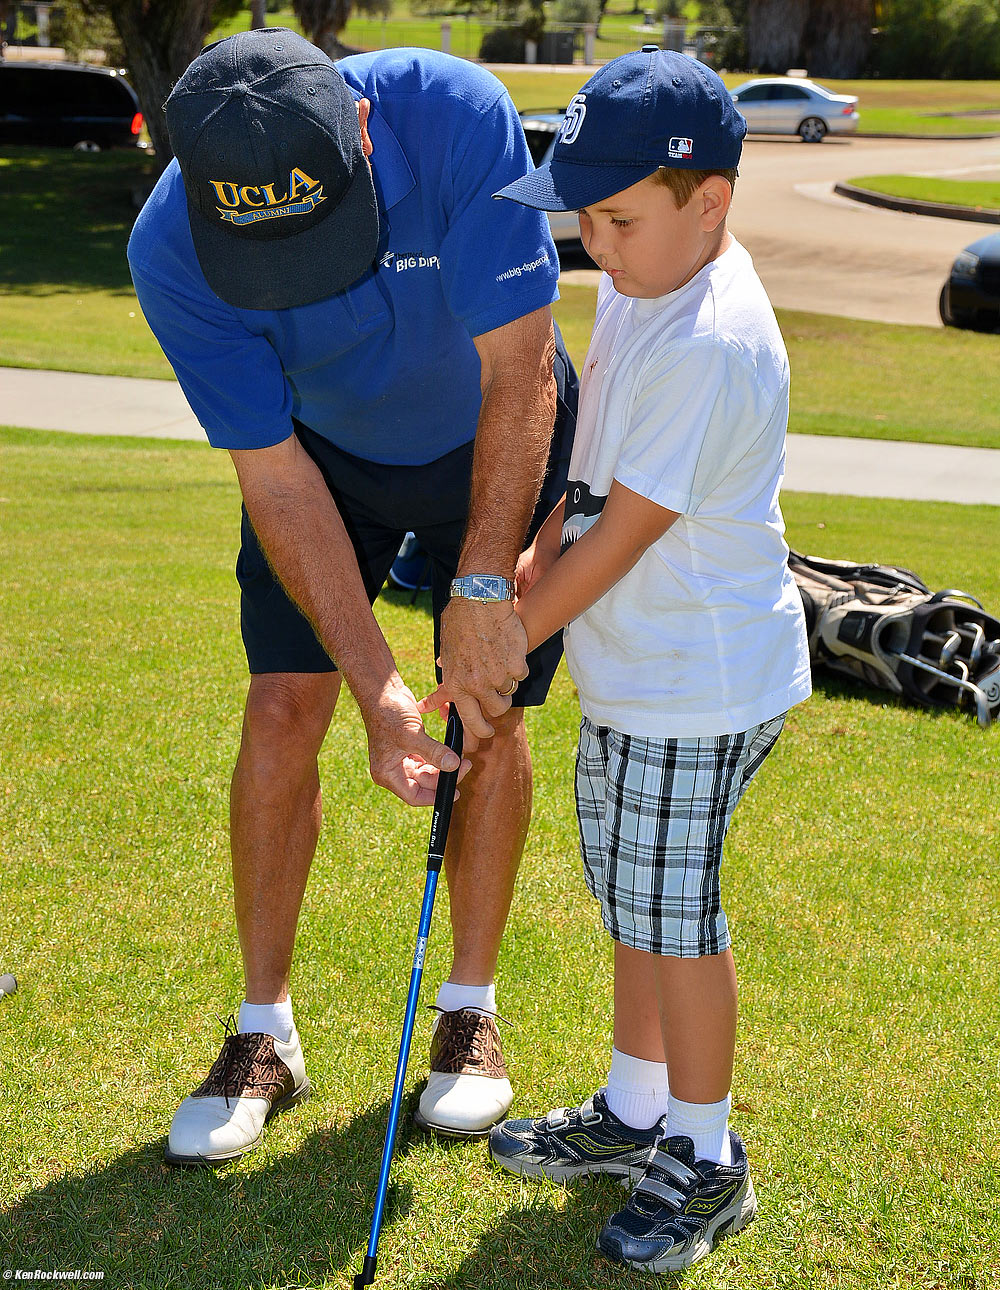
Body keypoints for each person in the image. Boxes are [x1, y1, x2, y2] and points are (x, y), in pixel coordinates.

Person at [127, 29, 578, 1164]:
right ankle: (262, 1031)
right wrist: (376, 686)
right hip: (323, 457)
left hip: (494, 426)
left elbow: (519, 362)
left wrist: (480, 581)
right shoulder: (170, 246)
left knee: (488, 701)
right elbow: (274, 474)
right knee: (284, 707)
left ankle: (467, 1011)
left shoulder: (456, 113)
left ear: (363, 130)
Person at [478, 46, 812, 1272]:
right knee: (631, 899)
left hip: (700, 678)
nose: (593, 244)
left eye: (613, 219)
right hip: (639, 668)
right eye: (585, 218)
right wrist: (523, 566)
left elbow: (626, 539)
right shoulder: (638, 287)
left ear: (709, 199)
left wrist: (503, 644)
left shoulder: (713, 341)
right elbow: (586, 474)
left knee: (678, 920)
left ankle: (707, 1154)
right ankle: (633, 1112)